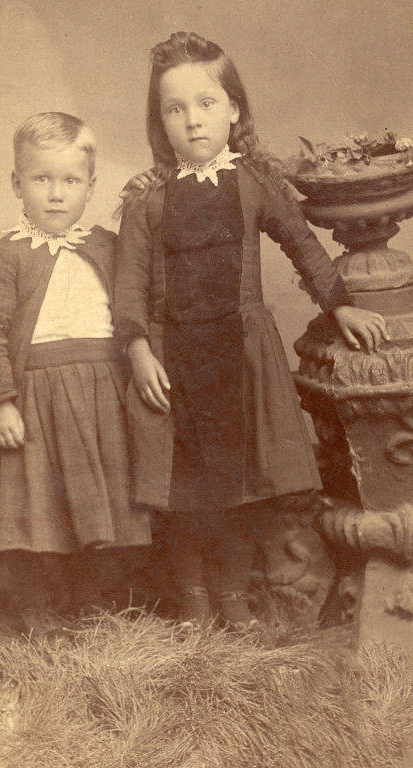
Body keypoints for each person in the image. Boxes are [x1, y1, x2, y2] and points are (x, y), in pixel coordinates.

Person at [114, 32, 388, 627]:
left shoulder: (253, 183)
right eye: (175, 108)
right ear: (159, 121)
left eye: (206, 103)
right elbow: (129, 283)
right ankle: (190, 601)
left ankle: (233, 598)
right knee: (181, 492)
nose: (192, 122)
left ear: (234, 108)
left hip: (238, 358)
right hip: (171, 360)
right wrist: (137, 349)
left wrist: (339, 305)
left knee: (237, 489)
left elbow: (302, 245)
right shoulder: (148, 200)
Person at [0, 112, 151, 618]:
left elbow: (138, 297)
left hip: (104, 398)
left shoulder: (107, 246)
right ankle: (40, 620)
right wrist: (0, 402)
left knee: (103, 514)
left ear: (90, 185)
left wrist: (146, 195)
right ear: (17, 184)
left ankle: (95, 613)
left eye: (70, 180)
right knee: (39, 516)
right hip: (36, 402)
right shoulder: (7, 255)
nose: (56, 194)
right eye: (42, 179)